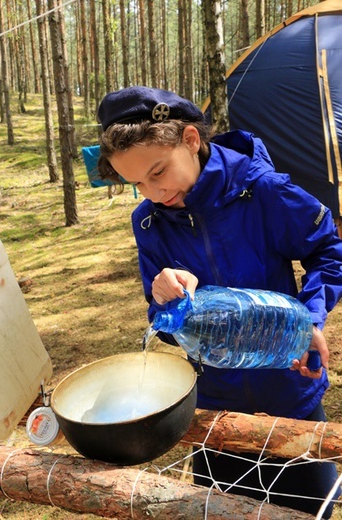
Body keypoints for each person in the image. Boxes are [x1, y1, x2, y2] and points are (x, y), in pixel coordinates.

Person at [97, 86, 342, 517]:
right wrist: (166, 301)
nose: (152, 192)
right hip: (213, 410)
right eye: (136, 184)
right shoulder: (149, 222)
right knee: (225, 510)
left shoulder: (260, 190)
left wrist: (309, 317)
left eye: (158, 172)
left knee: (311, 509)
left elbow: (330, 252)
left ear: (191, 140)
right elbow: (163, 323)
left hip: (289, 395)